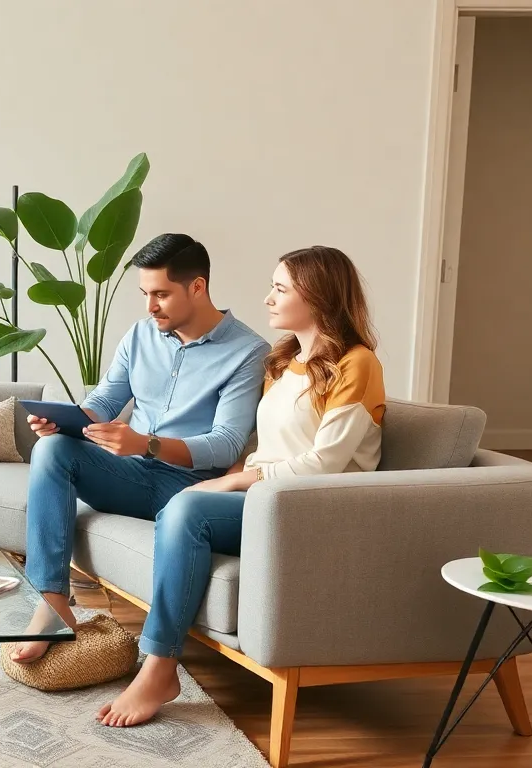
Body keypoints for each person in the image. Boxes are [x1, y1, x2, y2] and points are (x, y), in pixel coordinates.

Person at [96, 245, 386, 727]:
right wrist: (231, 478)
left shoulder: (357, 365)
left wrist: (236, 480)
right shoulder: (283, 362)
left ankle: (159, 666)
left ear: (316, 297)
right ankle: (159, 664)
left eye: (280, 288)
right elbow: (263, 446)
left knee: (187, 510)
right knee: (182, 505)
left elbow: (324, 464)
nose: (267, 299)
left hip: (314, 507)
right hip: (268, 501)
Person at [10, 233, 270, 660]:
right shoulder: (139, 335)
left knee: (77, 454)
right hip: (130, 476)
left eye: (161, 294)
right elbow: (106, 400)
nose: (150, 306)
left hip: (188, 489)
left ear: (198, 287)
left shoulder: (247, 352)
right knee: (53, 450)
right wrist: (66, 422)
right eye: (145, 293)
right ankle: (54, 601)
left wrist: (146, 444)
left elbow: (225, 444)